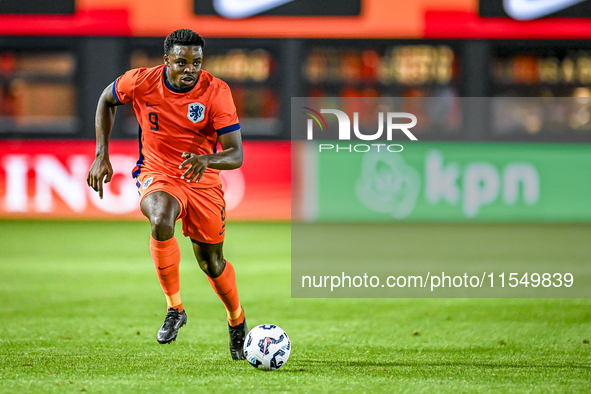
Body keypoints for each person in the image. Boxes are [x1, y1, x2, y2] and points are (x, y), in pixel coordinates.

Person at [86, 29, 247, 360]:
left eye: (197, 63)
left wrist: (206, 159)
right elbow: (106, 99)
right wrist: (102, 153)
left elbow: (235, 155)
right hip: (158, 173)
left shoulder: (217, 92)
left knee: (212, 264)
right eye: (182, 62)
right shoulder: (142, 81)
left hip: (202, 179)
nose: (190, 69)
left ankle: (236, 320)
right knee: (160, 218)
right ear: (166, 61)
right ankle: (175, 308)